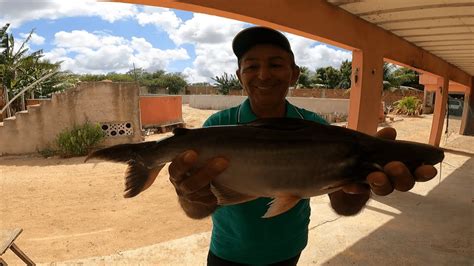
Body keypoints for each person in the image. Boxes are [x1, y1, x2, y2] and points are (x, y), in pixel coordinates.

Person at [165, 26, 437, 265]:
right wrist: (189, 194)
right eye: (251, 66)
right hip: (228, 253)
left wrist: (361, 185)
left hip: (289, 250)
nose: (263, 75)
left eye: (275, 64)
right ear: (239, 75)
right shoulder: (216, 127)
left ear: (294, 74)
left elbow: (344, 205)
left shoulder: (314, 125)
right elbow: (198, 209)